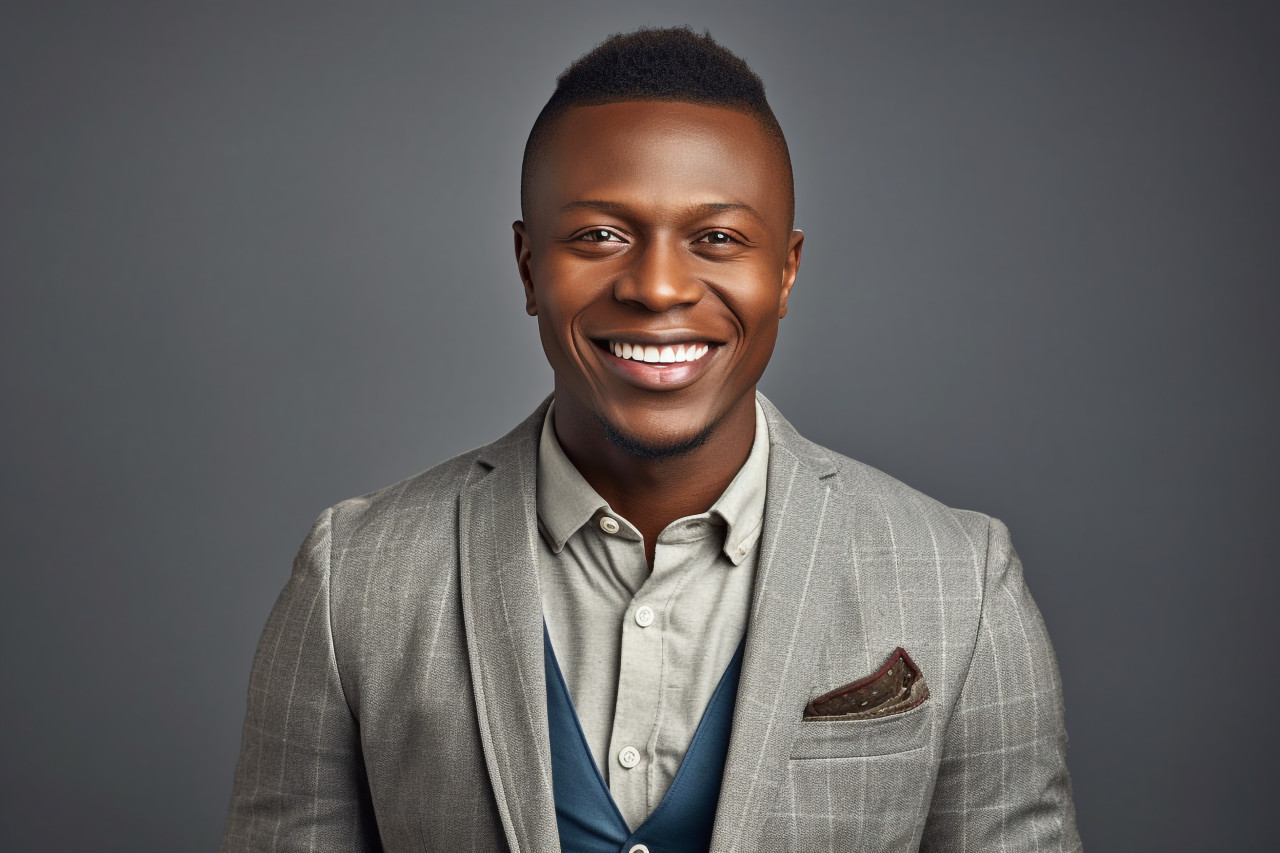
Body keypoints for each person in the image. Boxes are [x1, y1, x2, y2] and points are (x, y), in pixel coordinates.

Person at [221, 27, 1080, 853]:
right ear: (528, 268)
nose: (659, 286)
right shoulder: (355, 581)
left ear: (785, 270)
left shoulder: (961, 582)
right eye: (601, 235)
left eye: (717, 238)